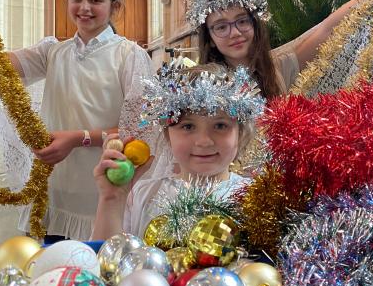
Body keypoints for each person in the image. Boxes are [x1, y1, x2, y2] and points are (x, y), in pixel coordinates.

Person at [6, 0, 154, 241]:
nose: (84, 7)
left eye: (96, 0)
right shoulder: (53, 51)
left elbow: (141, 131)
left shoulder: (129, 55)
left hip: (100, 193)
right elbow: (1, 64)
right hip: (55, 190)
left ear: (115, 6)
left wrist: (79, 137)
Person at [91, 61, 263, 239]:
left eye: (220, 125)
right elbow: (105, 260)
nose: (204, 141)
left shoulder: (257, 197)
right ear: (167, 135)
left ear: (240, 133)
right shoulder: (143, 196)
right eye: (188, 126)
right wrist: (111, 199)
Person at [187, 0, 371, 97]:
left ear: (254, 25)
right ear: (209, 38)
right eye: (221, 27)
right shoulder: (204, 84)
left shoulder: (277, 69)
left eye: (242, 21)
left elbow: (325, 31)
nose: (235, 33)